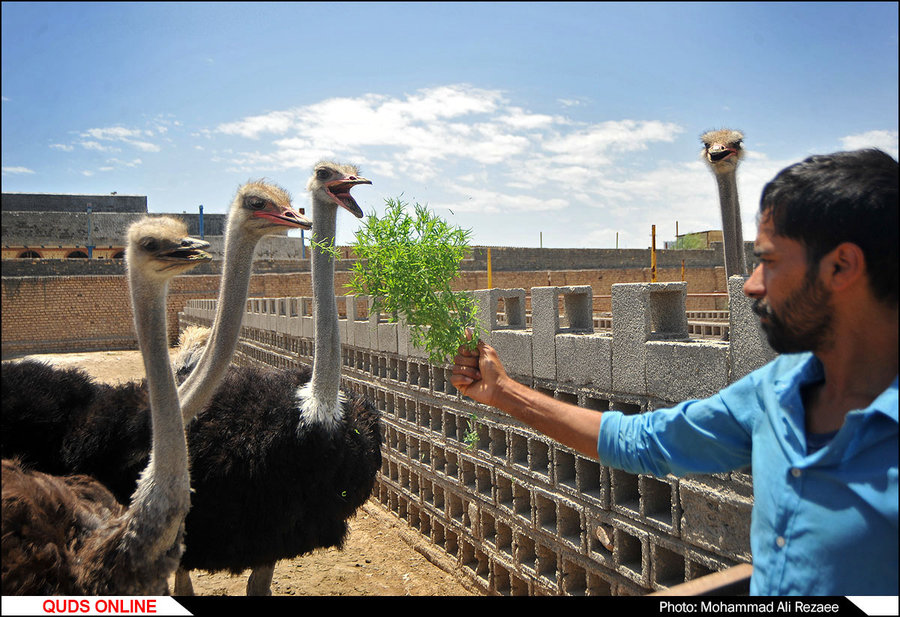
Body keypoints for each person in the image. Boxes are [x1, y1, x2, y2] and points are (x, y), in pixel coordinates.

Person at [450, 149, 898, 596]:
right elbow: (642, 441)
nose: (752, 284)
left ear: (841, 266)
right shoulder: (777, 392)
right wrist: (505, 393)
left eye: (771, 261)